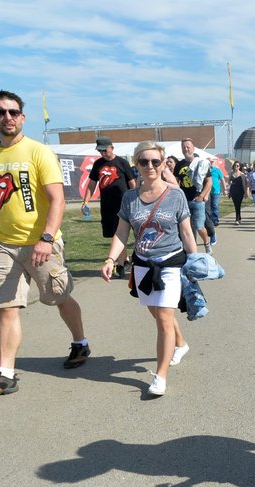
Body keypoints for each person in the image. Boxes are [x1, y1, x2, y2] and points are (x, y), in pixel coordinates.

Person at [0, 90, 90, 400]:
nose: (7, 117)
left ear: (22, 117)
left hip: (41, 243)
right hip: (4, 245)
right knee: (7, 306)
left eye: (12, 112)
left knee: (59, 297)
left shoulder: (38, 152)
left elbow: (57, 199)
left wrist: (47, 239)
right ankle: (5, 374)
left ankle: (80, 342)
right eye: (0, 112)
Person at [100, 141, 197, 397]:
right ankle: (181, 344)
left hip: (169, 264)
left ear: (164, 164)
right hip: (142, 265)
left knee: (164, 318)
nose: (150, 166)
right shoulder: (130, 198)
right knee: (156, 312)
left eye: (156, 161)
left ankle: (160, 376)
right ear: (137, 165)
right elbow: (122, 232)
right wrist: (111, 259)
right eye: (144, 162)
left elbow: (186, 231)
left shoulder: (176, 195)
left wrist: (196, 261)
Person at [80, 137, 137, 239]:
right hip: (107, 205)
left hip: (123, 204)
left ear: (112, 148)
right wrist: (85, 202)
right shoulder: (98, 164)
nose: (103, 153)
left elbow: (132, 183)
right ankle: (120, 255)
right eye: (100, 151)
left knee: (128, 232)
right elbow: (91, 185)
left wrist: (136, 200)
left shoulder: (122, 162)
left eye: (105, 150)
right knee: (112, 234)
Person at [174, 138, 214, 253]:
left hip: (197, 200)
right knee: (186, 228)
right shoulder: (179, 165)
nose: (186, 149)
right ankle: (191, 250)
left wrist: (202, 196)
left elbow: (209, 181)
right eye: (184, 147)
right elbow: (176, 182)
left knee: (199, 226)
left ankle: (206, 242)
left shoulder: (201, 163)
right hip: (184, 201)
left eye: (188, 146)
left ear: (193, 148)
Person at [207, 158, 226, 230]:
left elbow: (222, 179)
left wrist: (224, 189)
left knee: (215, 205)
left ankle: (215, 220)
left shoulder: (217, 170)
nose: (210, 163)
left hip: (215, 191)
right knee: (208, 206)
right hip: (207, 191)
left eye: (211, 162)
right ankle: (209, 220)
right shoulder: (205, 170)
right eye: (209, 162)